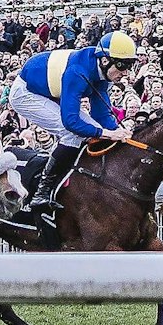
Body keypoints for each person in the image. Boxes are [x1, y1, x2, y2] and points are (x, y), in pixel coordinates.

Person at [19, 31, 141, 224]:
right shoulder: (79, 72)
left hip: (50, 89)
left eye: (129, 66)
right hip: (27, 92)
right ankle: (42, 191)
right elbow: (71, 121)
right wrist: (107, 133)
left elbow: (101, 116)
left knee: (93, 129)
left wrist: (120, 133)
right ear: (104, 61)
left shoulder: (101, 73)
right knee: (72, 134)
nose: (125, 72)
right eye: (122, 65)